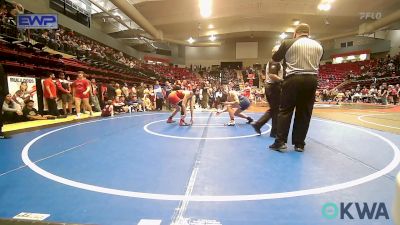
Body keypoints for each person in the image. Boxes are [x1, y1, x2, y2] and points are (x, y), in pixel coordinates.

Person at [269, 23, 323, 152]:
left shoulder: (288, 42)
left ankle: (280, 142)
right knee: (304, 112)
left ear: (295, 33)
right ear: (308, 33)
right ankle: (299, 144)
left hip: (293, 79)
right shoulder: (318, 45)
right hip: (312, 80)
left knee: (285, 111)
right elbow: (320, 59)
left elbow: (275, 58)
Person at [252, 45, 283, 137]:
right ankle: (270, 130)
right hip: (273, 87)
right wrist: (283, 80)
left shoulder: (275, 62)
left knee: (274, 110)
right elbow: (272, 76)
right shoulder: (274, 62)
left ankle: (261, 126)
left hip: (272, 87)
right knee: (276, 110)